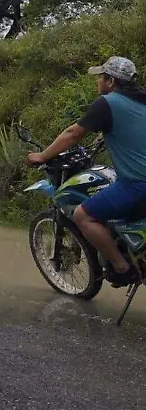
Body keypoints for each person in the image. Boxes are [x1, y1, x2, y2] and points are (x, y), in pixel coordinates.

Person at [27, 56, 146, 286]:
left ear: (110, 81)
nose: (98, 82)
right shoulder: (140, 101)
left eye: (101, 77)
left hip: (137, 183)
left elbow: (73, 133)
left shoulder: (108, 103)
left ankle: (122, 268)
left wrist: (42, 156)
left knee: (84, 215)